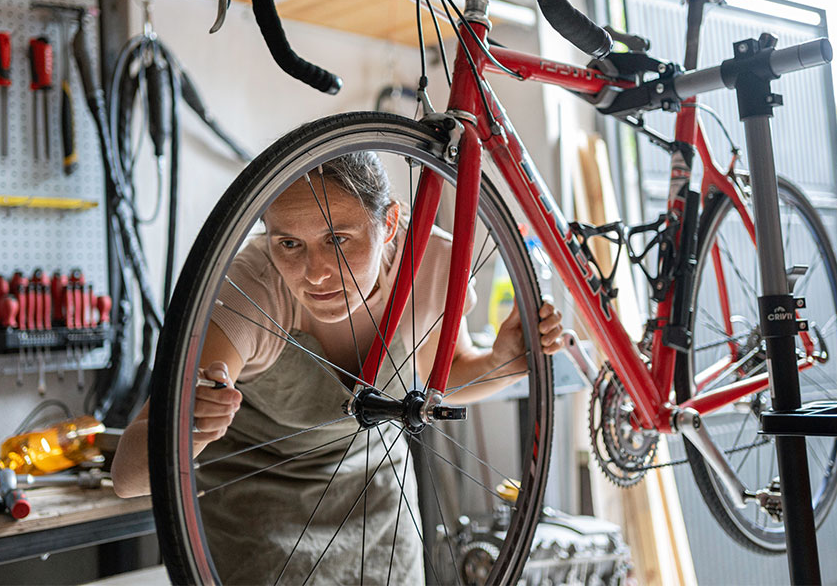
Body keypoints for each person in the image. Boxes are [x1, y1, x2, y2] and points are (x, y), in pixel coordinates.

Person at [112, 152, 564, 583]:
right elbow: (127, 478)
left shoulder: (432, 263)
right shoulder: (248, 288)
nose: (316, 272)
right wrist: (189, 428)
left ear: (388, 224)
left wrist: (502, 362)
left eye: (338, 239)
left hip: (382, 517)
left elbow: (441, 379)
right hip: (261, 527)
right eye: (289, 243)